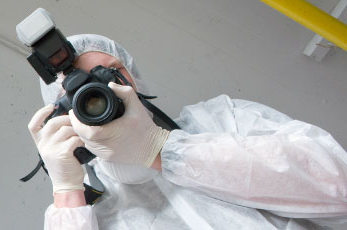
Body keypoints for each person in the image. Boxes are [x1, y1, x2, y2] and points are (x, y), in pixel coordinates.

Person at [27, 34, 347, 229]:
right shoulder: (87, 208)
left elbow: (338, 188)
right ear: (61, 116)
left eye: (108, 73)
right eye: (78, 96)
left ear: (134, 76)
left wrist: (162, 149)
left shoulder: (222, 119)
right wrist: (67, 194)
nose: (99, 93)